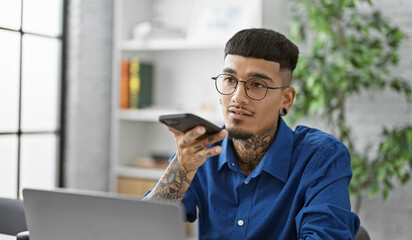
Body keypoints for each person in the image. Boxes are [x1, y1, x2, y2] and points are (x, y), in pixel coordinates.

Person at [144, 28, 360, 239]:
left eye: (257, 85)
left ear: (286, 99)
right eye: (229, 80)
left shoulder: (321, 157)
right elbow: (143, 228)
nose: (238, 97)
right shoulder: (201, 152)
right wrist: (181, 168)